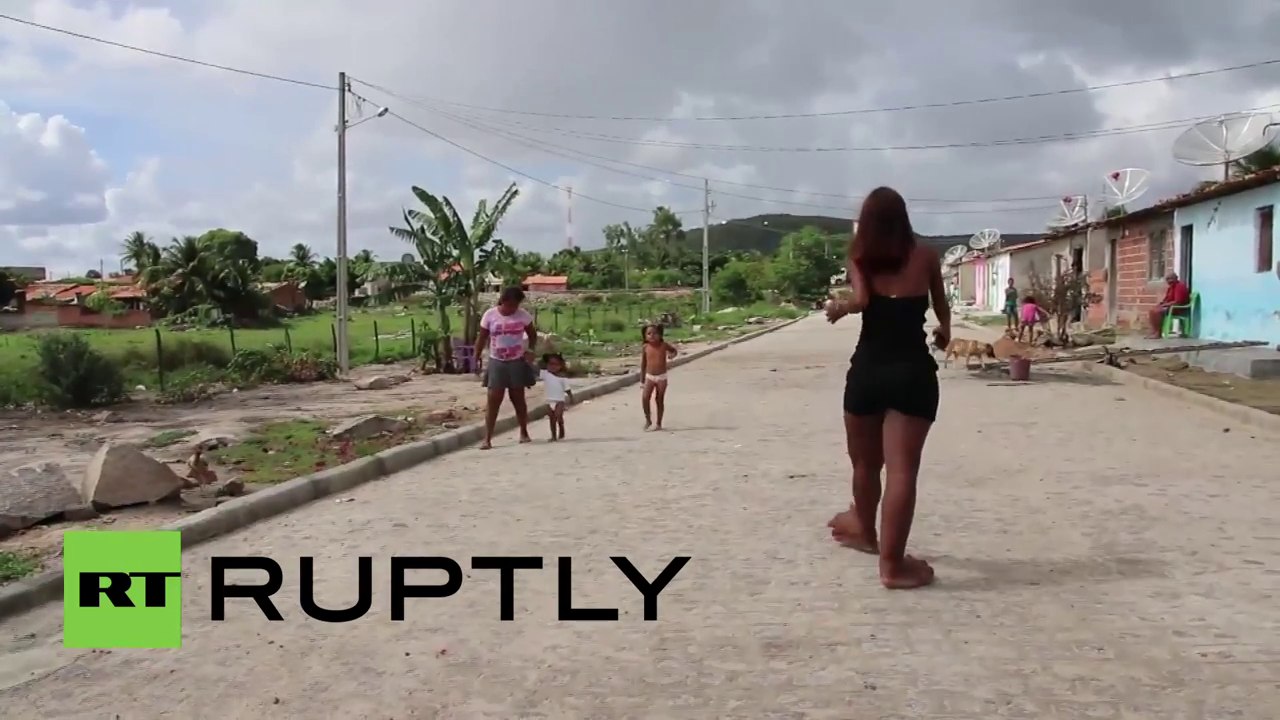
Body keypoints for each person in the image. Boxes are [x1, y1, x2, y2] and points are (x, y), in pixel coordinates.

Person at [823, 186, 947, 590]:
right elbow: (940, 306)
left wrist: (841, 306)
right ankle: (892, 566)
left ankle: (864, 526)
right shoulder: (927, 256)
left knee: (864, 464)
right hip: (912, 372)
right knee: (902, 471)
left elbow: (860, 299)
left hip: (868, 372)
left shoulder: (860, 258)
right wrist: (944, 332)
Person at [474, 287, 538, 450]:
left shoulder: (523, 315)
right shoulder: (490, 315)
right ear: (502, 301)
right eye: (509, 305)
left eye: (515, 305)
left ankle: (524, 432)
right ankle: (487, 438)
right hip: (497, 361)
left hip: (516, 361)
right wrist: (476, 357)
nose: (512, 309)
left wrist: (530, 350)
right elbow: (482, 337)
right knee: (493, 400)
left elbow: (532, 334)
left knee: (518, 398)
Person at [640, 324, 678, 431]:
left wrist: (672, 355)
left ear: (660, 334)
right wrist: (642, 380)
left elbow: (674, 350)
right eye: (649, 334)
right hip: (649, 376)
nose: (652, 336)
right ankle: (648, 420)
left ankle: (659, 423)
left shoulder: (663, 345)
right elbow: (643, 364)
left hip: (662, 377)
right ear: (645, 336)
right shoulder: (645, 347)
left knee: (659, 399)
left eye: (655, 333)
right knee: (645, 398)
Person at [1146, 272, 1191, 339]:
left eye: (1171, 279)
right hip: (1171, 307)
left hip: (1178, 308)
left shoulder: (1180, 286)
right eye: (1167, 279)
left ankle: (1158, 333)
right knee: (1152, 310)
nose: (1169, 281)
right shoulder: (1171, 288)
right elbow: (1167, 299)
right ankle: (1154, 331)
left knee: (1157, 311)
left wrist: (1165, 305)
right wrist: (1161, 303)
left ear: (1176, 279)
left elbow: (1177, 301)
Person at [540, 352, 573, 441]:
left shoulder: (563, 378)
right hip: (549, 400)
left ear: (561, 366)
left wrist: (571, 398)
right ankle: (553, 435)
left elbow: (567, 389)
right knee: (551, 418)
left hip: (559, 400)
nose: (553, 366)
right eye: (550, 364)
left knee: (558, 416)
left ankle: (561, 428)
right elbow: (539, 365)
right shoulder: (546, 374)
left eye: (556, 364)